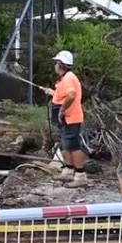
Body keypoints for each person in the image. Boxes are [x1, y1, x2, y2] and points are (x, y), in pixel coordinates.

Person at [42, 50, 87, 188]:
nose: (55, 65)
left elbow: (72, 95)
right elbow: (65, 95)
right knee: (65, 144)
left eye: (56, 63)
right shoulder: (65, 78)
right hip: (65, 119)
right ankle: (68, 170)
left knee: (73, 146)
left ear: (61, 64)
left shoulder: (68, 78)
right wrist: (53, 93)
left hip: (71, 118)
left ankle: (80, 176)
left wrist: (62, 110)